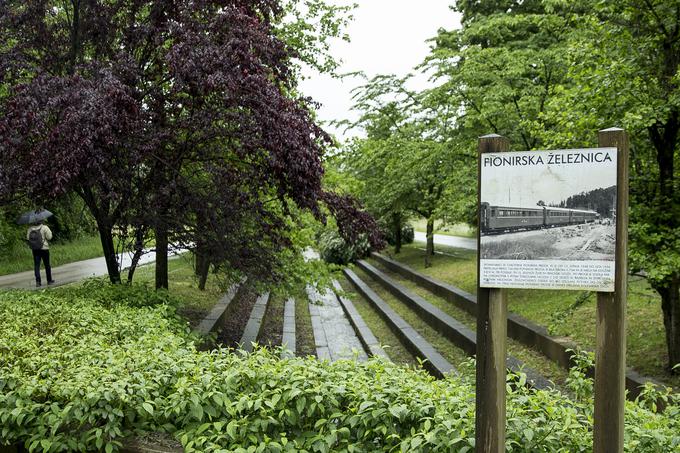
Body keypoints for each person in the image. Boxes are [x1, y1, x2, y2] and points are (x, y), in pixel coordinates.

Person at [27, 221, 54, 287]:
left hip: (35, 249)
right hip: (44, 248)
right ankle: (49, 280)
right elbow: (49, 237)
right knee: (47, 265)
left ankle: (38, 282)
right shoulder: (45, 227)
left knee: (37, 265)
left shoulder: (30, 229)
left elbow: (28, 239)